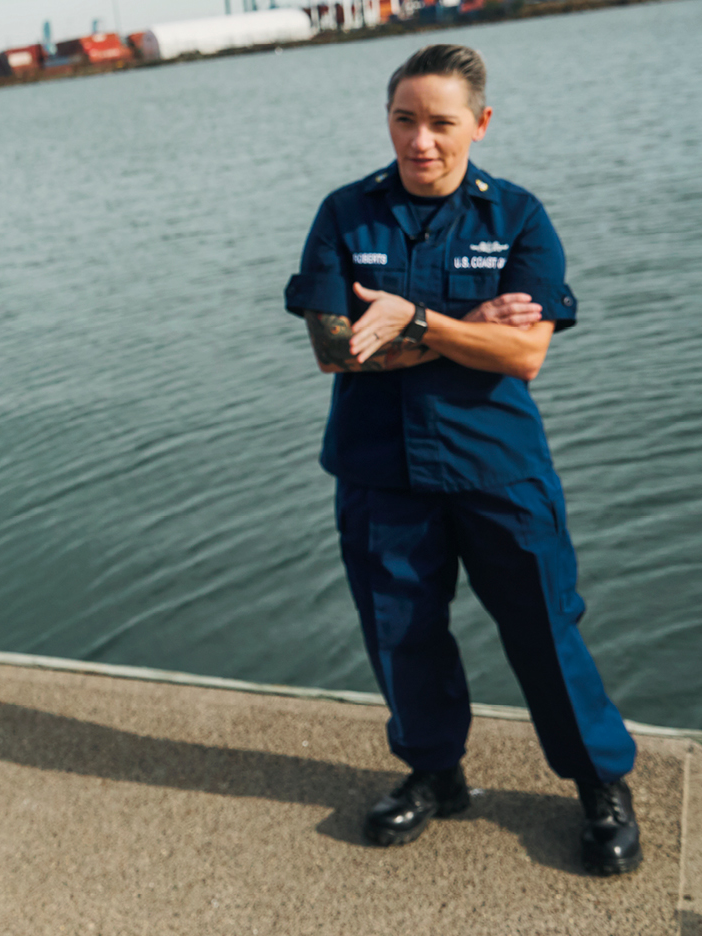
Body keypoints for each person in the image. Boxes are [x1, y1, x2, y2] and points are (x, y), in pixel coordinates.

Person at [282, 44, 641, 875]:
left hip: (497, 467)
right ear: (387, 121)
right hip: (380, 471)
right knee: (400, 631)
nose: (421, 141)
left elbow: (525, 355)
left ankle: (598, 783)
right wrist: (470, 328)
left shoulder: (517, 217)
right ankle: (435, 773)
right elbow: (336, 351)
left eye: (441, 123)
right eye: (404, 119)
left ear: (480, 124)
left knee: (545, 628)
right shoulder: (345, 215)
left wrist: (417, 322)